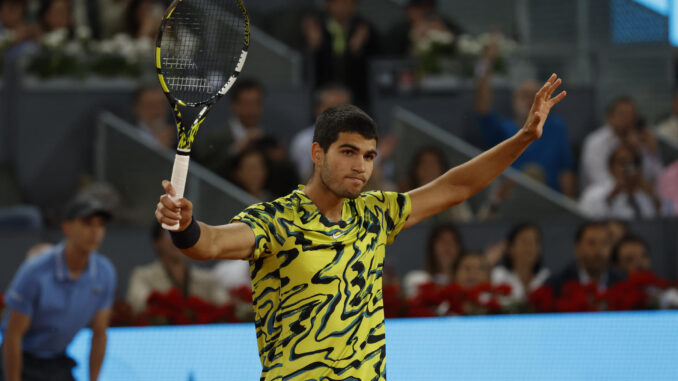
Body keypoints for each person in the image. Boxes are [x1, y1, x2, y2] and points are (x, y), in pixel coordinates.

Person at [154, 75, 566, 380]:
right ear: (318, 153)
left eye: (369, 156)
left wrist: (524, 138)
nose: (360, 167)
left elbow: (455, 186)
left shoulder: (376, 213)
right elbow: (209, 244)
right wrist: (185, 226)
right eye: (348, 152)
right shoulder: (276, 219)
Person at [0, 195, 116, 381]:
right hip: (20, 359)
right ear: (67, 227)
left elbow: (100, 333)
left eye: (100, 225)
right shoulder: (35, 271)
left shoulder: (105, 273)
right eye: (87, 223)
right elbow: (13, 336)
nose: (95, 232)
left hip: (57, 362)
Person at [474, 42, 576, 197]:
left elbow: (565, 169)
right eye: (524, 96)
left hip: (550, 200)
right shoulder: (502, 128)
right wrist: (486, 64)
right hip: (512, 200)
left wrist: (567, 206)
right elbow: (482, 109)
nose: (530, 101)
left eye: (535, 96)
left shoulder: (556, 126)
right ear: (514, 101)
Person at [126, 223, 228, 314]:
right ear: (156, 242)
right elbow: (139, 306)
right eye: (170, 234)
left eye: (184, 233)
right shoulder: (143, 276)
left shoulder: (207, 279)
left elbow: (226, 307)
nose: (179, 239)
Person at [301, 0, 378, 107]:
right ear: (327, 5)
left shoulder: (363, 27)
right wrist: (313, 46)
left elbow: (377, 57)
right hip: (322, 87)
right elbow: (304, 59)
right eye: (337, 3)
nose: (342, 7)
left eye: (347, 3)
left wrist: (360, 49)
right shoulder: (315, 25)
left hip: (356, 90)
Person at [580, 96, 662, 190]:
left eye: (632, 115)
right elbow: (599, 179)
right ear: (609, 118)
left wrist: (649, 153)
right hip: (602, 198)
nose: (628, 119)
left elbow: (655, 179)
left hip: (636, 197)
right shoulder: (595, 142)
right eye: (622, 114)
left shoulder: (640, 141)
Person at [192, 79, 267, 174]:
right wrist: (235, 150)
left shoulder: (267, 140)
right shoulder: (216, 138)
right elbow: (204, 171)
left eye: (256, 103)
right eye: (247, 104)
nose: (252, 110)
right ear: (234, 105)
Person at [579, 144, 663, 219]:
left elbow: (658, 222)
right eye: (622, 162)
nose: (627, 168)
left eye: (633, 163)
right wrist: (612, 196)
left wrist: (650, 194)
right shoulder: (594, 194)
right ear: (611, 167)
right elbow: (588, 220)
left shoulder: (643, 197)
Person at [290, 84, 353, 181]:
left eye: (343, 108)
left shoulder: (362, 138)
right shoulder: (303, 141)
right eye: (331, 108)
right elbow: (303, 180)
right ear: (317, 110)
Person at [547, 221, 625, 296]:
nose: (599, 250)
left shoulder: (622, 282)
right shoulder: (558, 284)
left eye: (604, 243)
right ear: (577, 248)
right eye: (591, 243)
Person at [491, 223, 550, 302]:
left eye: (535, 242)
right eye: (524, 241)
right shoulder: (498, 276)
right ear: (510, 248)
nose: (530, 247)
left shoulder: (546, 277)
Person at [382, 0, 464, 57]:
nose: (424, 13)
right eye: (419, 8)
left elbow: (465, 43)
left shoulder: (443, 23)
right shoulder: (399, 29)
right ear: (409, 10)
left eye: (428, 8)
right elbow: (387, 56)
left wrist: (446, 36)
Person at [403, 223, 465, 297]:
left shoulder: (466, 283)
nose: (448, 246)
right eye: (442, 241)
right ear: (432, 247)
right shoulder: (418, 280)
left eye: (453, 241)